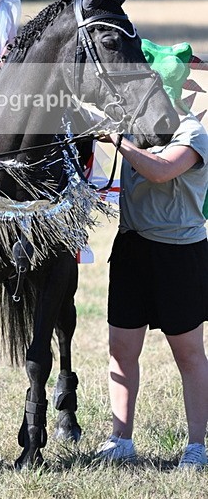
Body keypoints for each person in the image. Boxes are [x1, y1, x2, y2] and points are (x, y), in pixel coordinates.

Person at [96, 39, 208, 470]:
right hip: (132, 249)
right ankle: (120, 439)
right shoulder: (132, 125)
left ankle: (196, 447)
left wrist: (121, 144)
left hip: (179, 254)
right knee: (121, 349)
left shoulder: (191, 131)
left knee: (188, 354)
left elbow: (161, 172)